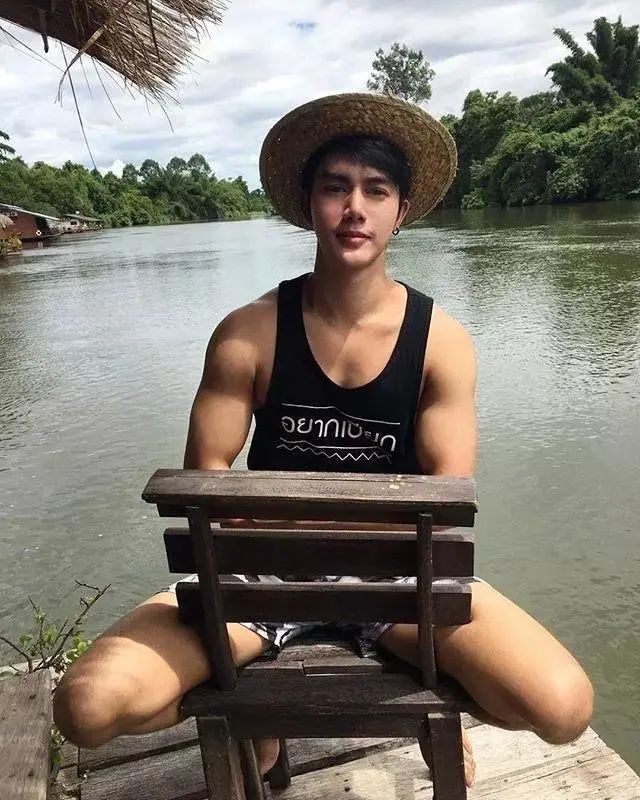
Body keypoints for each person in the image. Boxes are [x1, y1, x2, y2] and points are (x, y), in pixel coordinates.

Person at [54, 93, 593, 787]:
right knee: (87, 707)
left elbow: (444, 501)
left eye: (376, 190)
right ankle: (257, 712)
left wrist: (314, 534)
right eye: (336, 188)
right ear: (310, 204)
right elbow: (209, 480)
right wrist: (302, 545)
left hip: (396, 581)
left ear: (402, 210)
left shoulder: (442, 343)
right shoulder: (248, 333)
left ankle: (423, 700)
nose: (354, 208)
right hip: (260, 578)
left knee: (561, 707)